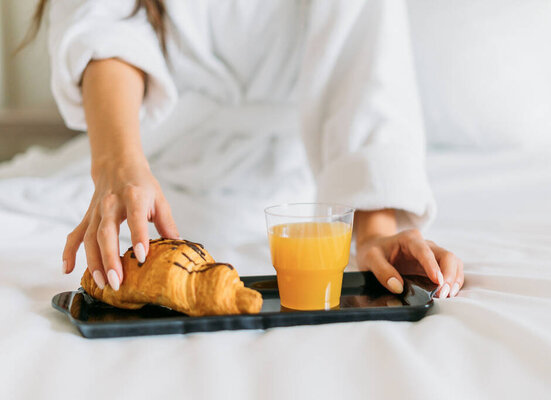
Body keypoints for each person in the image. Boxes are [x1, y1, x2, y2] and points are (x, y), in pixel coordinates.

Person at [27, 0, 463, 298]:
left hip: (298, 185)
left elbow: (363, 60)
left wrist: (374, 230)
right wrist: (118, 166)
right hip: (146, 167)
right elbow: (104, 29)